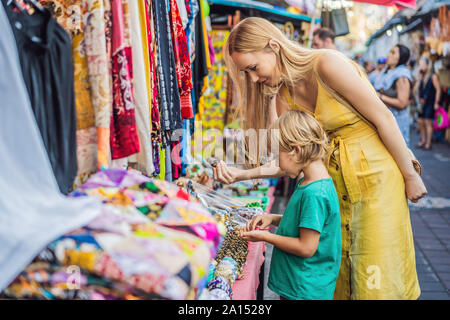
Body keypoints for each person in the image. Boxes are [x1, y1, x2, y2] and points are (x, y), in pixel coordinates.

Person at [217, 17, 427, 299]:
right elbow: (288, 157)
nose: (253, 79)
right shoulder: (281, 94)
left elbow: (383, 117)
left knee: (376, 275)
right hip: (334, 186)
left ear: (273, 46)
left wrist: (410, 176)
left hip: (375, 181)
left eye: (253, 68)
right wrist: (239, 174)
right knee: (337, 276)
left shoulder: (326, 64)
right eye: (247, 73)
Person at [240, 110, 341, 300]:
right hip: (300, 286)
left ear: (295, 150)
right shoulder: (312, 182)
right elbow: (303, 225)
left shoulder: (314, 194)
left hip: (303, 290)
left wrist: (266, 237)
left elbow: (306, 247)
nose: (278, 163)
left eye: (279, 155)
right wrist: (272, 218)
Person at [374, 44, 413, 147]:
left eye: (393, 52)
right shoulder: (386, 71)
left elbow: (402, 103)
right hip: (383, 119)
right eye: (390, 52)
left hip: (397, 122)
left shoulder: (402, 75)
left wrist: (380, 96)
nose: (388, 54)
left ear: (400, 57)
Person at [415, 56, 441, 150]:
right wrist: (418, 75)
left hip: (430, 102)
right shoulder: (421, 76)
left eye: (422, 64)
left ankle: (428, 143)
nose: (420, 66)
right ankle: (423, 140)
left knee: (428, 122)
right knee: (420, 122)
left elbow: (438, 90)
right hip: (421, 103)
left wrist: (436, 102)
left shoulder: (433, 76)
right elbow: (415, 89)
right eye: (419, 64)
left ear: (427, 65)